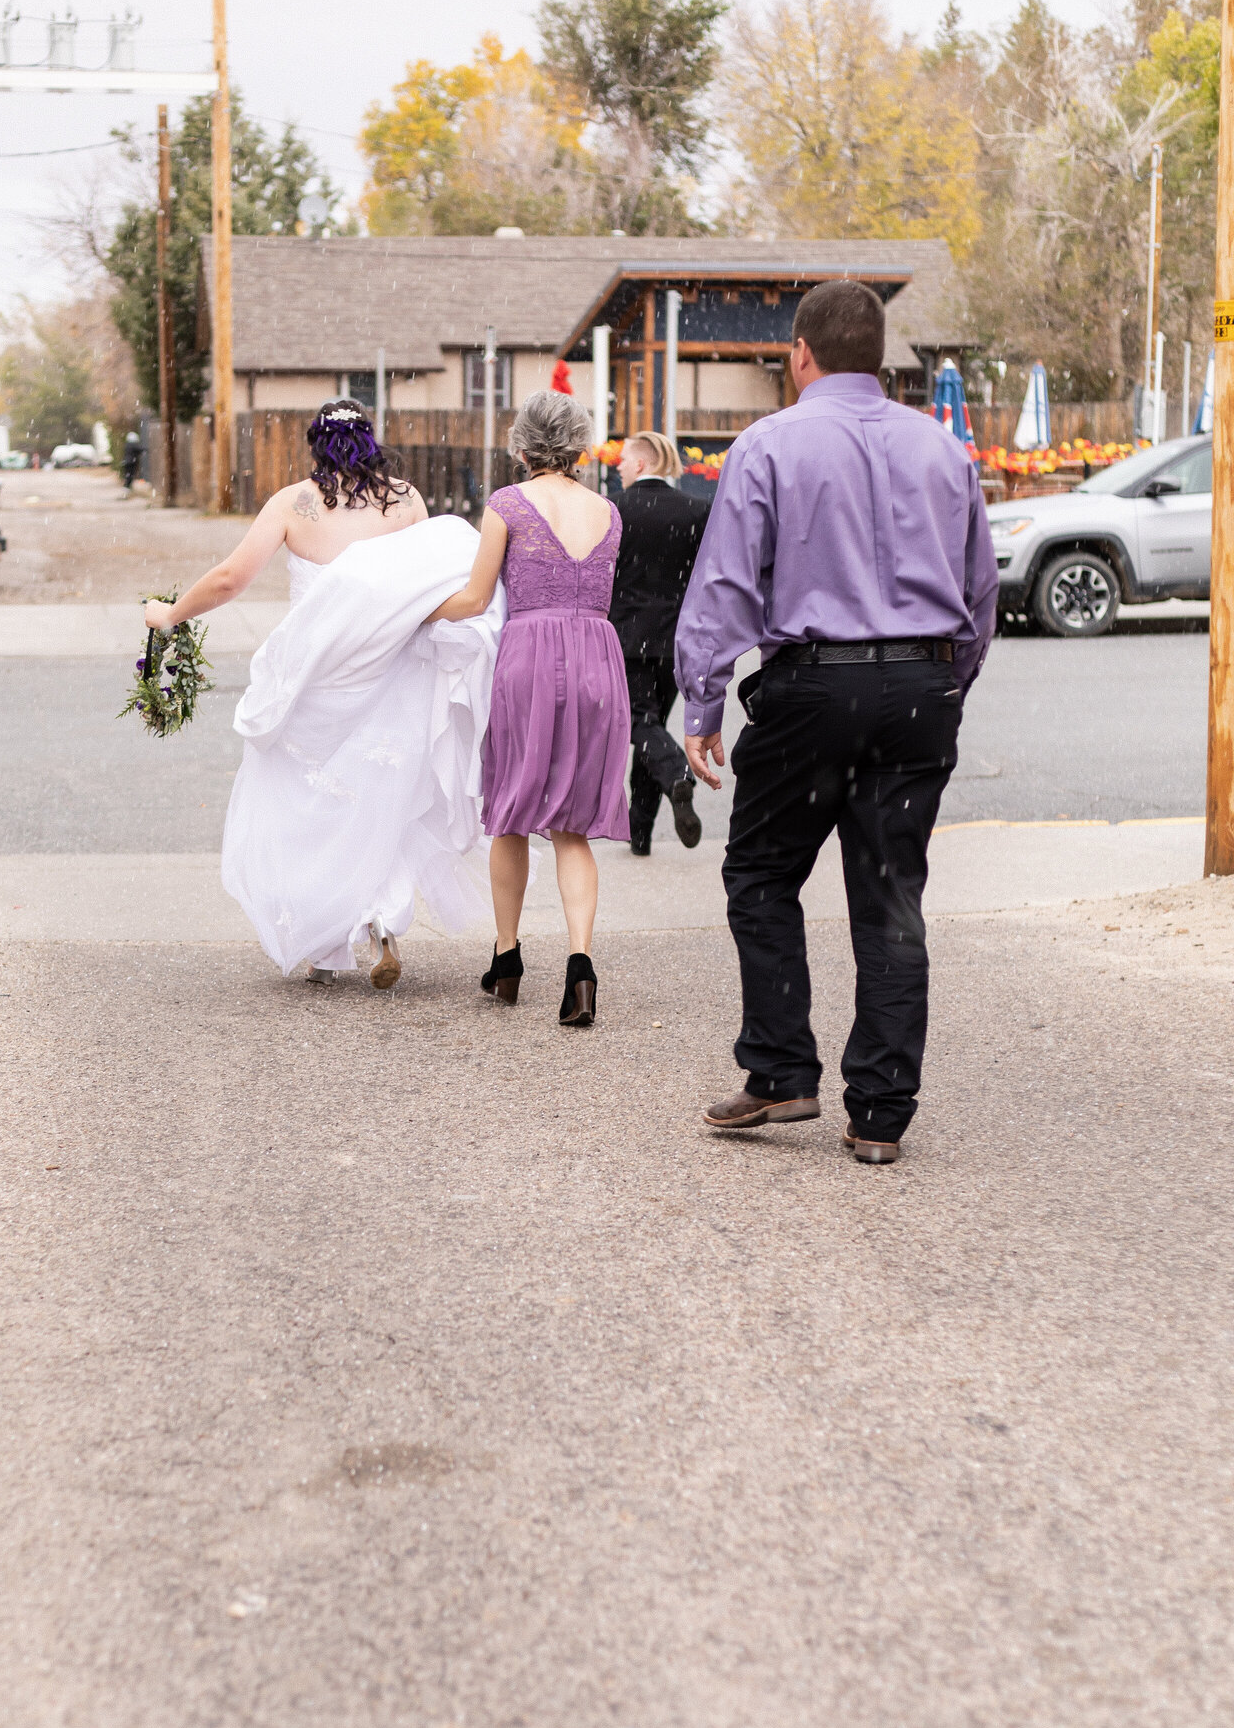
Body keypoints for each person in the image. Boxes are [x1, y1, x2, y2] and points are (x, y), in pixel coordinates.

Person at [675, 279, 998, 1165]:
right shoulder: (944, 450)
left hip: (813, 689)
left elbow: (726, 588)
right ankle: (881, 1117)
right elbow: (979, 592)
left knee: (762, 873)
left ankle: (781, 1074)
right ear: (880, 355)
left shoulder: (769, 444)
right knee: (891, 897)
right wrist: (943, 688)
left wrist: (702, 701)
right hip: (920, 689)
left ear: (800, 355)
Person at [143, 402, 503, 990]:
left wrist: (172, 613)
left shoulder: (293, 504)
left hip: (317, 679)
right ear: (370, 441)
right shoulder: (406, 500)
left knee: (310, 802)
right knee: (380, 795)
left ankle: (327, 943)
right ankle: (382, 917)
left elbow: (233, 578)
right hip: (389, 669)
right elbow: (426, 583)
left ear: (317, 444)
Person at [428, 390, 629, 1027]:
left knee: (510, 811)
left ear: (521, 447)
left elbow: (476, 596)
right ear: (579, 447)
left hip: (530, 656)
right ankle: (580, 967)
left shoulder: (507, 505)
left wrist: (416, 612)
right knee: (572, 823)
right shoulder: (608, 511)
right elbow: (597, 593)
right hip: (598, 656)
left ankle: (507, 957)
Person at [609, 430, 711, 855]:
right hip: (676, 637)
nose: (617, 468)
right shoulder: (697, 510)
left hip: (627, 634)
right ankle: (640, 833)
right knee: (651, 724)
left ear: (641, 464)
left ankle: (676, 779)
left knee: (639, 723)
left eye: (622, 462)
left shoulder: (614, 510)